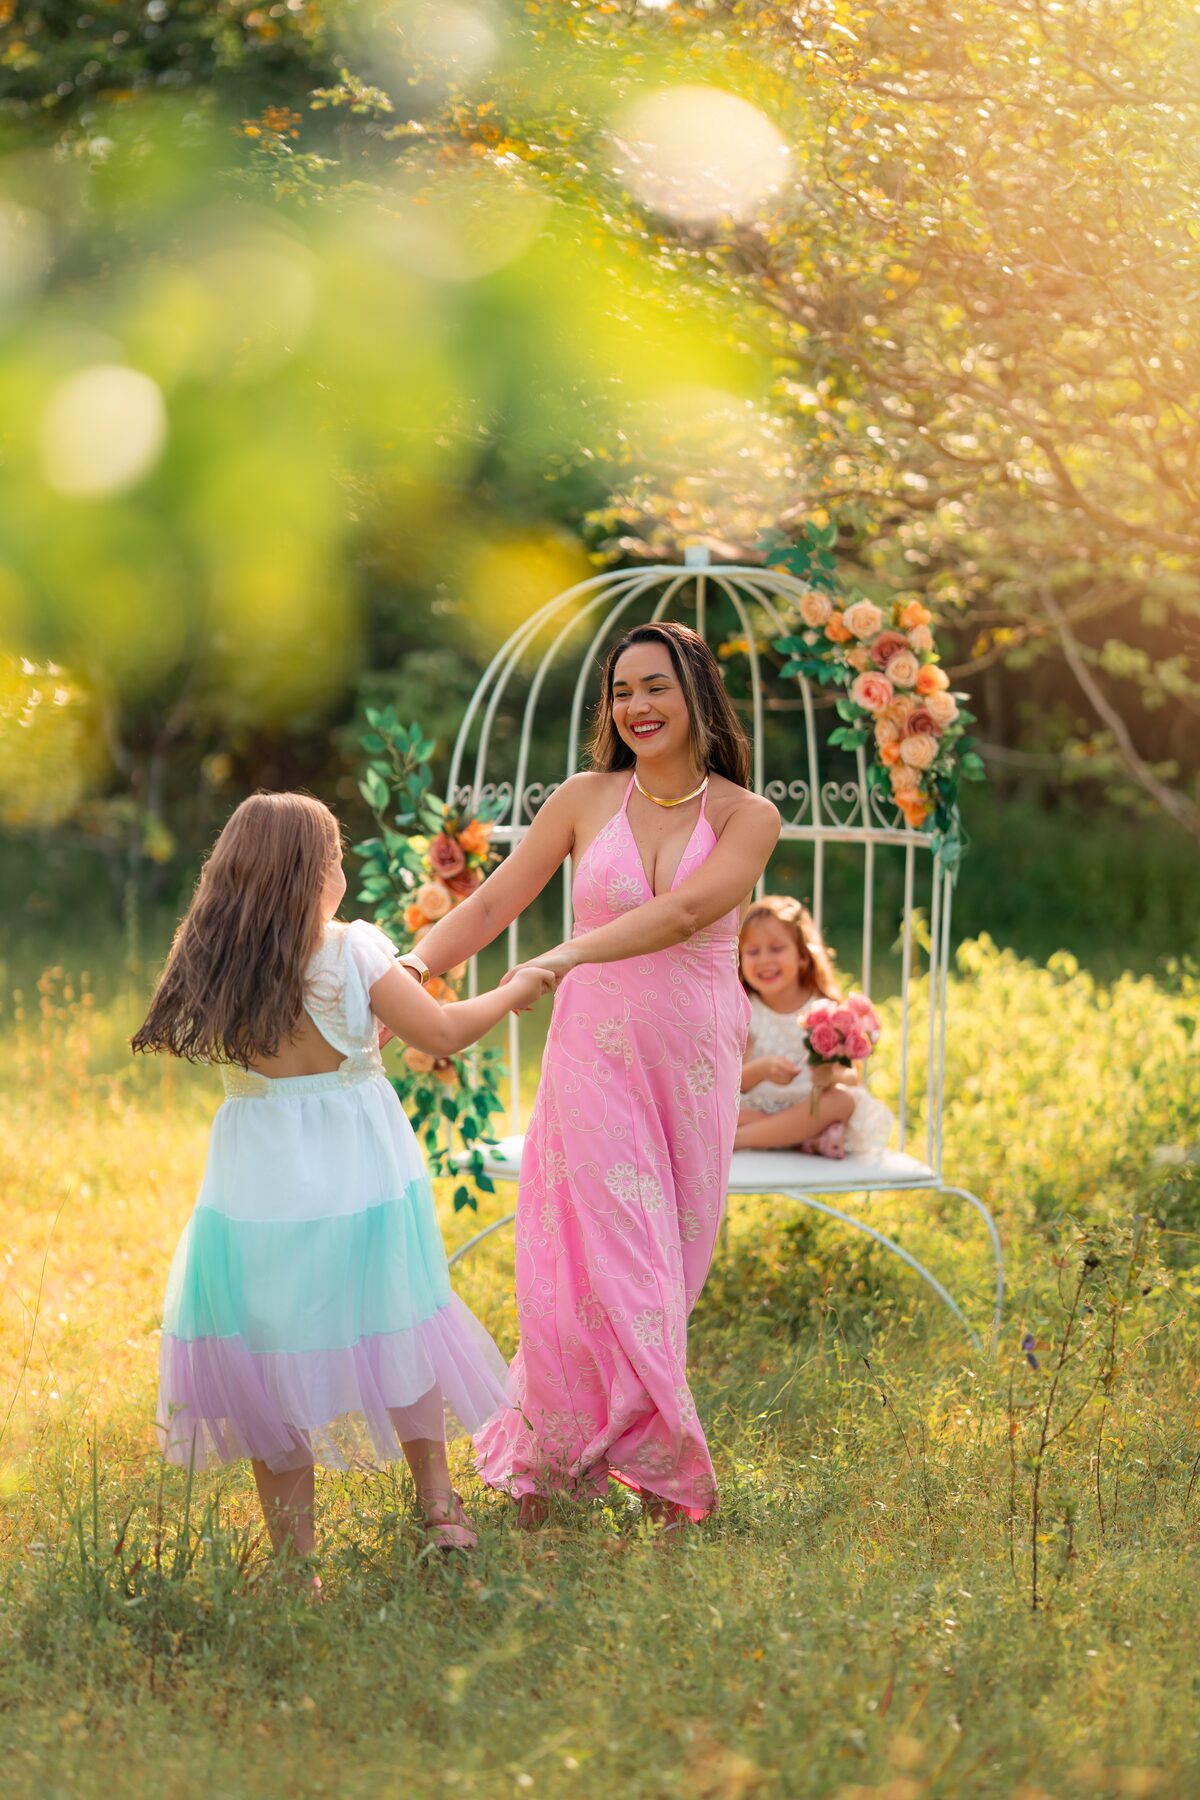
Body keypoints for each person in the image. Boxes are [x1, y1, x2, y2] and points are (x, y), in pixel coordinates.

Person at [402, 623, 779, 1532]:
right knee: (601, 1256)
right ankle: (601, 1459)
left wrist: (561, 957)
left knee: (666, 1265)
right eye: (620, 692)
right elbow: (493, 901)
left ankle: (627, 1449)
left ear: (695, 696)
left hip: (689, 1060)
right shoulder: (584, 798)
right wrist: (409, 976)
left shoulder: (744, 814)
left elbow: (688, 911)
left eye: (655, 687)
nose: (637, 707)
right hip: (594, 1054)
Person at [131, 792, 553, 1574]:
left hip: (255, 1191)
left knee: (270, 1346)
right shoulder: (352, 949)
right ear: (307, 875)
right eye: (333, 860)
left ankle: (297, 1562)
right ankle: (439, 1505)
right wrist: (517, 988)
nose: (342, 872)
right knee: (396, 1313)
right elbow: (443, 1031)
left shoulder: (212, 954)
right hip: (362, 1176)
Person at [734, 894, 893, 1157]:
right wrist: (762, 1069)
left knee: (841, 1100)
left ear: (803, 956)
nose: (764, 960)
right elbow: (737, 1082)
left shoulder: (824, 1009)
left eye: (776, 949)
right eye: (752, 952)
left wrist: (831, 1076)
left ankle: (738, 1140)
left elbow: (851, 1076)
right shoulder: (746, 1009)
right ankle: (800, 1137)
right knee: (716, 1109)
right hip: (761, 1106)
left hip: (811, 1105)